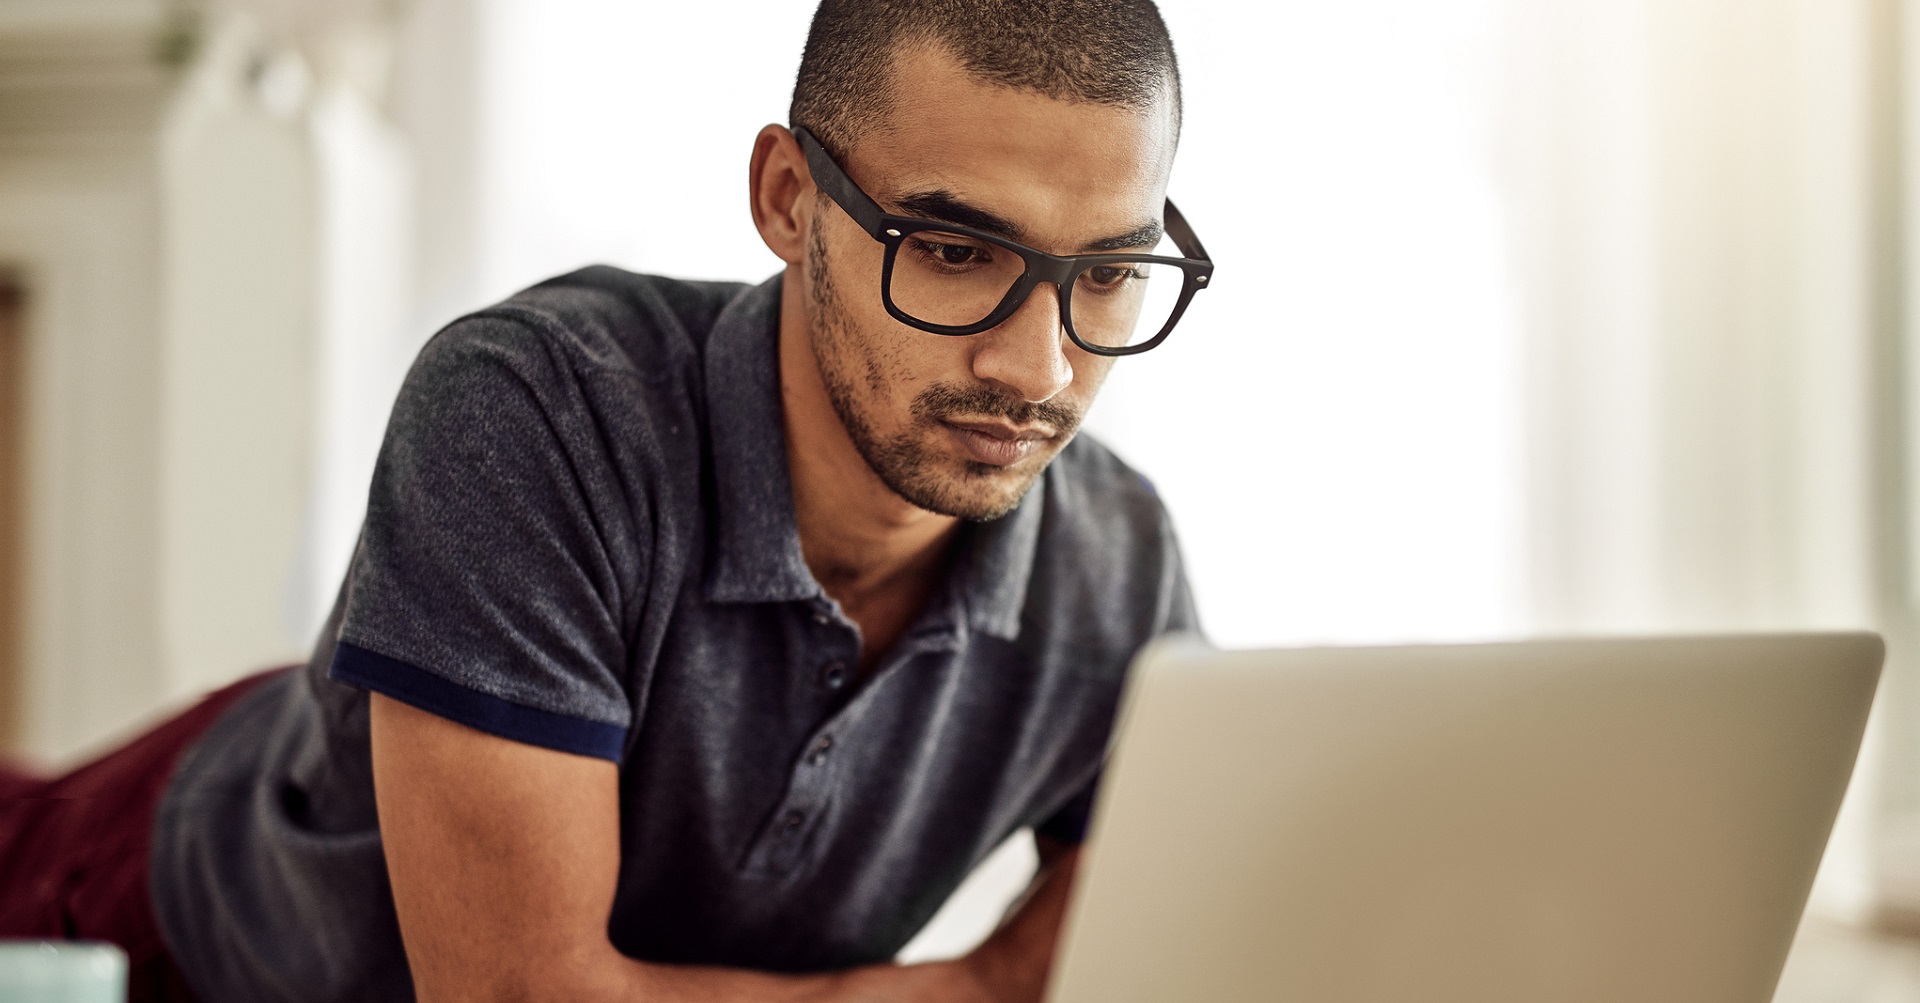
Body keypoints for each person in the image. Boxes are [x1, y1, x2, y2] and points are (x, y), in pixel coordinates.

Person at [0, 1, 1212, 1000]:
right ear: (791, 199)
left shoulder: (1120, 562)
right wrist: (979, 989)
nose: (1037, 369)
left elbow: (1164, 947)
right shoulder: (533, 405)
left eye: (1107, 273)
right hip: (153, 918)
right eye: (953, 251)